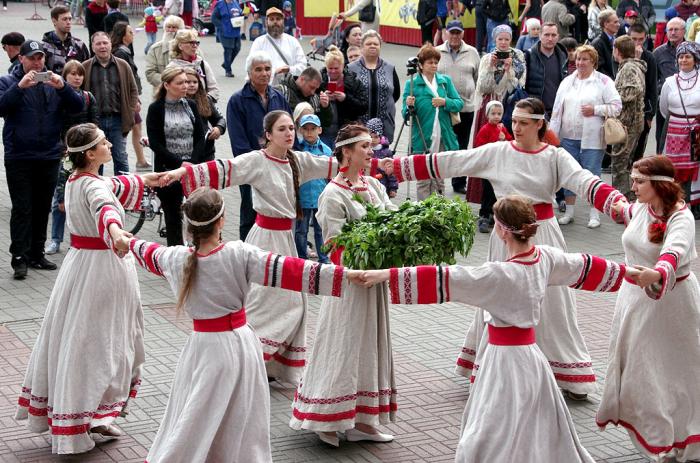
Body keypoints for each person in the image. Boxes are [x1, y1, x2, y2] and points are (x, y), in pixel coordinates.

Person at [359, 195, 638, 462]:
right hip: (532, 359)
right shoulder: (546, 258)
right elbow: (587, 266)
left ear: (503, 232)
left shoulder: (498, 274)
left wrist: (385, 275)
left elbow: (447, 278)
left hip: (503, 361)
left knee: (488, 425)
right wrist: (632, 274)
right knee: (534, 421)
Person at [388, 97, 628, 399]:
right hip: (506, 241)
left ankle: (564, 372)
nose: (516, 127)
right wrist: (396, 167)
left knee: (553, 303)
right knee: (499, 299)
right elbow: (454, 161)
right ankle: (494, 367)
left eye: (524, 123)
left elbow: (583, 180)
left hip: (544, 237)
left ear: (540, 124)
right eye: (514, 121)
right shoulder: (498, 152)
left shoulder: (555, 156)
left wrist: (614, 202)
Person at [118, 187, 359, 462]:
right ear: (221, 221)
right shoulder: (238, 253)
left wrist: (124, 239)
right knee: (240, 415)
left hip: (201, 349)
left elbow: (146, 251)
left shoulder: (176, 257)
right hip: (237, 347)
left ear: (189, 224)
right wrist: (347, 276)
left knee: (197, 410)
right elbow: (293, 270)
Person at [163, 111, 384, 384]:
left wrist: (379, 163)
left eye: (292, 128)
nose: (290, 133)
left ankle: (266, 365)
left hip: (286, 239)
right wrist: (181, 172)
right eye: (282, 129)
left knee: (291, 303)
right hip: (265, 239)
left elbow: (333, 165)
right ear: (268, 134)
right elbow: (224, 168)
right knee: (273, 302)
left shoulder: (297, 160)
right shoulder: (257, 160)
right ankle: (247, 359)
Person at [15, 123, 162, 454]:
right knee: (100, 343)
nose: (110, 144)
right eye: (103, 142)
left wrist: (151, 178)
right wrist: (118, 235)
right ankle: (85, 414)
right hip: (101, 271)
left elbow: (113, 186)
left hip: (80, 267)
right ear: (91, 153)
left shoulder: (76, 180)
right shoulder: (92, 188)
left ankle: (92, 412)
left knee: (83, 339)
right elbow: (105, 208)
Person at [289, 124, 398, 447]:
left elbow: (392, 217)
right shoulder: (332, 193)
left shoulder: (373, 186)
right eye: (365, 146)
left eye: (371, 146)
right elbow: (334, 244)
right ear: (346, 152)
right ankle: (327, 417)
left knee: (370, 344)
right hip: (349, 282)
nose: (370, 152)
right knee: (343, 344)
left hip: (374, 280)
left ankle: (363, 421)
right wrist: (367, 250)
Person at [597, 156, 700, 462]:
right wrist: (603, 198)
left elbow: (674, 250)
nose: (633, 186)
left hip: (672, 306)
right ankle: (659, 438)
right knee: (640, 373)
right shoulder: (641, 207)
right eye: (633, 179)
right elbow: (623, 210)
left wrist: (655, 274)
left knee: (673, 375)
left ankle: (681, 440)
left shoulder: (680, 217)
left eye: (639, 181)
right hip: (635, 303)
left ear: (659, 184)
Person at [0, 40, 84, 280]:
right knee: (22, 208)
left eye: (40, 58)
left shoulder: (52, 82)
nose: (37, 62)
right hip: (19, 156)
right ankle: (19, 257)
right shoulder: (8, 82)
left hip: (48, 155)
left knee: (41, 207)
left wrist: (63, 87)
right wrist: (19, 87)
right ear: (21, 60)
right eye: (32, 58)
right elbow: (1, 107)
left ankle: (37, 253)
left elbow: (78, 106)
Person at [551, 44, 622, 228]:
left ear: (594, 62)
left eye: (585, 59)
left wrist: (596, 110)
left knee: (592, 175)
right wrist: (552, 135)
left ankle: (594, 214)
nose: (580, 63)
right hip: (568, 137)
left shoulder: (603, 81)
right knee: (569, 174)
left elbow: (616, 106)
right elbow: (558, 110)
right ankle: (570, 212)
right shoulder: (567, 81)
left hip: (592, 138)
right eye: (578, 59)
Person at [227, 52, 291, 240]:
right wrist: (257, 164)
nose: (264, 73)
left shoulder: (278, 97)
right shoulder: (237, 100)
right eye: (258, 69)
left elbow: (289, 128)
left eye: (267, 69)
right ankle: (245, 254)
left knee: (277, 213)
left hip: (279, 165)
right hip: (251, 167)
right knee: (250, 214)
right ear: (249, 72)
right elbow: (238, 141)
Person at [147, 67, 207, 246]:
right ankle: (175, 256)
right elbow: (156, 143)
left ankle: (199, 253)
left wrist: (192, 162)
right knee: (173, 218)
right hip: (167, 170)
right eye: (180, 83)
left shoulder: (191, 105)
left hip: (192, 168)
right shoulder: (156, 109)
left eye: (187, 82)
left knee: (199, 214)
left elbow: (199, 137)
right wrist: (180, 163)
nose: (185, 86)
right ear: (167, 85)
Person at [46, 60, 100, 256]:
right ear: (65, 76)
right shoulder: (59, 96)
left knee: (83, 197)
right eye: (73, 74)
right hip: (65, 152)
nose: (77, 77)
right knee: (60, 199)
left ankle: (78, 239)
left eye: (80, 74)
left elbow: (95, 124)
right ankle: (55, 240)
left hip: (86, 152)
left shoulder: (88, 97)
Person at [402, 43, 463, 200]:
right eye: (430, 62)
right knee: (423, 180)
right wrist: (408, 105)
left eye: (436, 62)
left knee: (439, 178)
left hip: (442, 135)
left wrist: (445, 102)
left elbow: (459, 103)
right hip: (421, 136)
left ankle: (438, 212)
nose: (434, 65)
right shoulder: (412, 83)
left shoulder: (444, 81)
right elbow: (405, 115)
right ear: (421, 65)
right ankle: (423, 212)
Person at [82, 31, 139, 176]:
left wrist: (131, 111)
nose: (102, 46)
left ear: (111, 45)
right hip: (95, 122)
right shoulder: (86, 67)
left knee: (120, 157)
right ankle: (96, 190)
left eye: (105, 43)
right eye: (98, 43)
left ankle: (126, 191)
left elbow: (133, 90)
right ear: (93, 46)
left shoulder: (122, 65)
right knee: (95, 159)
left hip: (118, 120)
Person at [436, 20, 480, 195]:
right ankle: (438, 181)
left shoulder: (472, 52)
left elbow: (477, 77)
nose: (455, 36)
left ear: (462, 34)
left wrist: (472, 96)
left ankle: (459, 181)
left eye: (458, 33)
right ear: (446, 33)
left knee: (462, 146)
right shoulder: (437, 51)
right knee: (441, 144)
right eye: (451, 32)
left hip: (465, 108)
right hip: (443, 108)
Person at [659, 41, 700, 213]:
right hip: (674, 130)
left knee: (696, 169)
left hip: (697, 132)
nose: (684, 60)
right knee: (673, 169)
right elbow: (663, 108)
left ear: (696, 59)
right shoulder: (670, 82)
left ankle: (694, 205)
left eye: (688, 56)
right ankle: (674, 202)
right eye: (681, 57)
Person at [348, 30, 401, 143]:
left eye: (376, 44)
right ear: (362, 47)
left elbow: (395, 94)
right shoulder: (351, 68)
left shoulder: (390, 68)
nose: (372, 46)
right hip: (358, 124)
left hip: (384, 124)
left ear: (380, 46)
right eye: (368, 44)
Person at [111, 22, 150, 170]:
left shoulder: (124, 50)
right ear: (123, 35)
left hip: (129, 97)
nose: (132, 34)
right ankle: (140, 160)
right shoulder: (121, 52)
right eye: (130, 32)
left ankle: (141, 159)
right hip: (127, 99)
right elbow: (127, 78)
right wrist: (135, 99)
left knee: (137, 126)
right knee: (134, 126)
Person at [611, 35, 645, 201]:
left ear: (617, 51)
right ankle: (628, 194)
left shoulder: (629, 68)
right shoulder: (629, 66)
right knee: (624, 162)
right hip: (630, 122)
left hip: (628, 124)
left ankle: (621, 198)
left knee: (619, 163)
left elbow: (634, 90)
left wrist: (612, 97)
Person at [294, 114, 332, 263]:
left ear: (320, 130)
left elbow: (331, 175)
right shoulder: (297, 149)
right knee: (301, 230)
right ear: (301, 131)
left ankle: (323, 258)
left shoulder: (326, 151)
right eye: (306, 129)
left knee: (321, 230)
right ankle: (301, 258)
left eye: (313, 128)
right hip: (302, 198)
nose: (309, 132)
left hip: (320, 197)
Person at [473, 100, 513, 233]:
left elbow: (510, 143)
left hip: (499, 167)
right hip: (488, 167)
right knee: (487, 192)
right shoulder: (485, 129)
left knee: (496, 192)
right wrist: (498, 140)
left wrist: (505, 139)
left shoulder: (502, 128)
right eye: (493, 113)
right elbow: (480, 147)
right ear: (487, 115)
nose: (496, 116)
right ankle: (483, 215)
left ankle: (492, 214)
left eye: (499, 113)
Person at [319, 46, 368, 147]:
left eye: (336, 68)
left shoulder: (354, 81)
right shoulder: (319, 81)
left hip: (346, 132)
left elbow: (364, 107)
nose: (333, 71)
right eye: (330, 68)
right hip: (324, 132)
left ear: (343, 66)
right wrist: (322, 101)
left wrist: (346, 98)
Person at [248, 7, 308, 84]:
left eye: (278, 19)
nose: (275, 22)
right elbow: (250, 68)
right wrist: (273, 73)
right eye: (272, 19)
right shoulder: (259, 42)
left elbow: (303, 66)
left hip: (289, 89)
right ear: (266, 22)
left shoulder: (293, 41)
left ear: (283, 21)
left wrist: (289, 69)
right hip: (266, 89)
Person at [654, 17, 686, 155]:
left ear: (684, 31)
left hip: (689, 103)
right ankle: (661, 166)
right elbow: (652, 79)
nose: (673, 32)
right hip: (665, 103)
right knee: (662, 137)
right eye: (670, 30)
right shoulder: (658, 52)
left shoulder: (693, 51)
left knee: (687, 138)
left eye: (676, 29)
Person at [524, 22, 568, 119]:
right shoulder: (529, 56)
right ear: (540, 36)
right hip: (535, 111)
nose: (550, 38)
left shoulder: (563, 56)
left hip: (558, 111)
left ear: (558, 37)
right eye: (547, 35)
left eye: (553, 35)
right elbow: (523, 86)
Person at [628, 23, 658, 164]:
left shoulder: (649, 57)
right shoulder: (620, 54)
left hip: (643, 109)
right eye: (634, 39)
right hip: (625, 110)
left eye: (640, 39)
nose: (637, 43)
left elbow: (652, 87)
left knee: (639, 150)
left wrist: (650, 115)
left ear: (645, 38)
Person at [184, 67, 225, 162]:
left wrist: (219, 128)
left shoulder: (206, 99)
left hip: (206, 151)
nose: (192, 85)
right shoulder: (176, 101)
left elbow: (220, 119)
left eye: (195, 82)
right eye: (188, 82)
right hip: (186, 151)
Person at [167, 29, 219, 102]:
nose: (195, 46)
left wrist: (205, 102)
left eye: (196, 43)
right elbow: (168, 92)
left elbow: (214, 89)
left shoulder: (202, 64)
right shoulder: (172, 67)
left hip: (203, 110)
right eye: (191, 43)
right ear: (180, 46)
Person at [42, 6, 90, 75]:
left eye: (70, 19)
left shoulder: (79, 45)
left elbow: (87, 70)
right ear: (54, 21)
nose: (68, 22)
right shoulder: (44, 48)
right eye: (64, 19)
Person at [145, 15, 188, 90]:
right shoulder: (155, 49)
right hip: (162, 93)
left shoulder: (191, 48)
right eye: (168, 27)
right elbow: (150, 73)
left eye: (174, 27)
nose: (170, 30)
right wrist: (170, 83)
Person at [211, 0, 243, 78]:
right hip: (225, 32)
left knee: (237, 48)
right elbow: (214, 18)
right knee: (228, 50)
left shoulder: (235, 2)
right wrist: (222, 26)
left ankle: (226, 64)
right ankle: (228, 70)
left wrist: (243, 15)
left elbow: (239, 13)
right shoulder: (220, 4)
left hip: (236, 30)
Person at [368, 117, 398, 197]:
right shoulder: (364, 150)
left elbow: (391, 171)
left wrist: (393, 188)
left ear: (380, 137)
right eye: (371, 137)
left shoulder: (386, 152)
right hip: (367, 185)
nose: (373, 139)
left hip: (382, 185)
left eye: (376, 137)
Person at [591, 10, 620, 79]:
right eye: (615, 22)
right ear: (606, 24)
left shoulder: (617, 40)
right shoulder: (597, 43)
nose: (618, 24)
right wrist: (611, 82)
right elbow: (599, 68)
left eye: (618, 22)